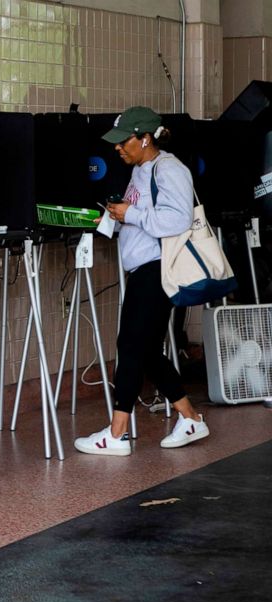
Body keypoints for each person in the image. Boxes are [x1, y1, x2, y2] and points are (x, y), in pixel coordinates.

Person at [74, 106, 209, 456]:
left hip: (157, 268)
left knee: (130, 345)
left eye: (124, 142)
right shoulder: (141, 169)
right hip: (143, 268)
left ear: (145, 137)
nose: (118, 148)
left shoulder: (170, 169)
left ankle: (116, 435)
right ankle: (190, 418)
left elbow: (177, 220)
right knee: (145, 349)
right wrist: (114, 217)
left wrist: (130, 213)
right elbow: (142, 214)